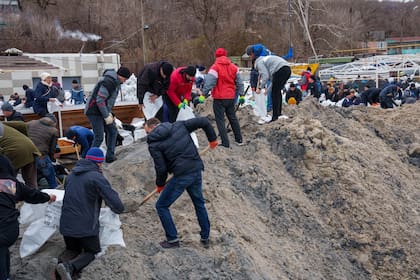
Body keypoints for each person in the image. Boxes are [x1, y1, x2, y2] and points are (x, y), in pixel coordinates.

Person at [145, 117, 218, 249]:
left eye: (147, 132)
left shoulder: (154, 144)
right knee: (199, 203)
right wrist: (212, 139)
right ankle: (205, 237)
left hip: (181, 175)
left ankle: (172, 239)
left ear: (152, 128)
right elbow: (204, 122)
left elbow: (161, 168)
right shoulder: (179, 125)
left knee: (161, 205)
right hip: (195, 169)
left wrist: (160, 184)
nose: (148, 135)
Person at [56, 147, 124, 280]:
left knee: (73, 249)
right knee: (92, 252)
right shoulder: (96, 177)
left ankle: (61, 264)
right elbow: (116, 204)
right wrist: (120, 208)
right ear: (99, 163)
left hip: (66, 226)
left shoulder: (70, 176)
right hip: (85, 228)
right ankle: (70, 267)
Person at [0, 154, 56, 280]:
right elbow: (32, 195)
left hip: (4, 228)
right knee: (2, 249)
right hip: (9, 228)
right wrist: (48, 197)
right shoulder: (10, 184)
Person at [84, 67, 131, 163]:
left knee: (113, 131)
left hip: (102, 110)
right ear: (120, 76)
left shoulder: (115, 82)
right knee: (99, 137)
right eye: (125, 79)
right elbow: (100, 100)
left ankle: (110, 156)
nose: (124, 82)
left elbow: (107, 101)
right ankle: (88, 161)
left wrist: (109, 113)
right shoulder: (109, 82)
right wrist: (106, 116)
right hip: (94, 111)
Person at [201, 48, 244, 148]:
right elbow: (240, 82)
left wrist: (203, 94)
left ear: (216, 56)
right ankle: (239, 139)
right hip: (230, 97)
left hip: (219, 98)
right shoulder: (234, 67)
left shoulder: (215, 67)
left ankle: (225, 143)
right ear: (226, 55)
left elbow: (210, 83)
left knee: (220, 120)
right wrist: (241, 95)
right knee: (232, 118)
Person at [250, 49, 291, 122]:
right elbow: (272, 81)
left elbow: (265, 76)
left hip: (281, 69)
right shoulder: (266, 60)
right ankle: (278, 113)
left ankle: (275, 116)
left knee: (274, 94)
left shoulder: (259, 63)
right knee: (277, 92)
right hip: (287, 68)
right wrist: (267, 90)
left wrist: (259, 88)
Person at [0, 122, 40, 188]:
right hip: (30, 147)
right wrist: (25, 139)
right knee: (31, 181)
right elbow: (22, 125)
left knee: (7, 180)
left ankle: (9, 197)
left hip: (13, 151)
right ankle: (35, 196)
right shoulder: (2, 124)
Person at [27, 114, 59, 189]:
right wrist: (53, 160)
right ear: (54, 123)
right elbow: (52, 149)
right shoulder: (53, 130)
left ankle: (34, 196)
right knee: (52, 180)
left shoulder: (31, 123)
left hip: (27, 154)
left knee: (31, 181)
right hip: (41, 156)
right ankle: (56, 194)